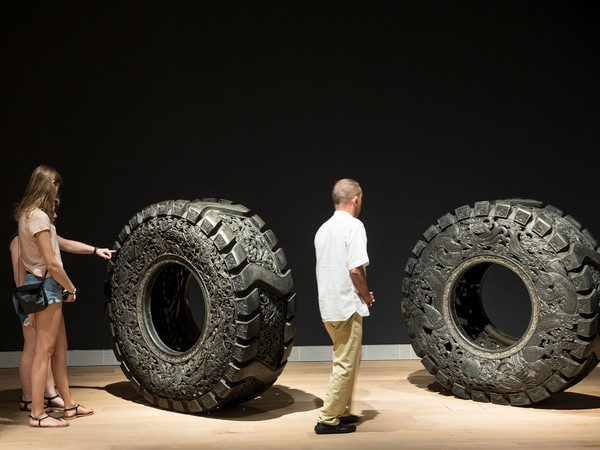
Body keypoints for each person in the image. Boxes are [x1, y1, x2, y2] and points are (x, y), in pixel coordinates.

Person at [13, 165, 114, 428]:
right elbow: (52, 263)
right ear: (48, 186)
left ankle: (69, 406)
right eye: (55, 187)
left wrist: (94, 250)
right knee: (43, 353)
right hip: (47, 286)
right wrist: (70, 287)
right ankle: (37, 414)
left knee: (59, 349)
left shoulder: (32, 215)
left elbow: (61, 244)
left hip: (48, 286)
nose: (57, 193)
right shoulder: (37, 217)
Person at [313, 178, 375, 435]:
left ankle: (342, 411)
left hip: (328, 304)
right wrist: (367, 296)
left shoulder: (323, 229)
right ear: (356, 199)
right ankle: (327, 419)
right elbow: (355, 270)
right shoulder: (354, 225)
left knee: (349, 359)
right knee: (345, 363)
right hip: (346, 304)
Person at [10, 231, 65, 413]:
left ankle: (49, 393)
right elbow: (19, 275)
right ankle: (28, 398)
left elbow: (66, 243)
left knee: (44, 347)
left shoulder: (38, 235)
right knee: (33, 348)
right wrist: (29, 310)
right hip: (29, 296)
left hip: (37, 295)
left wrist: (95, 250)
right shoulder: (19, 239)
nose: (54, 215)